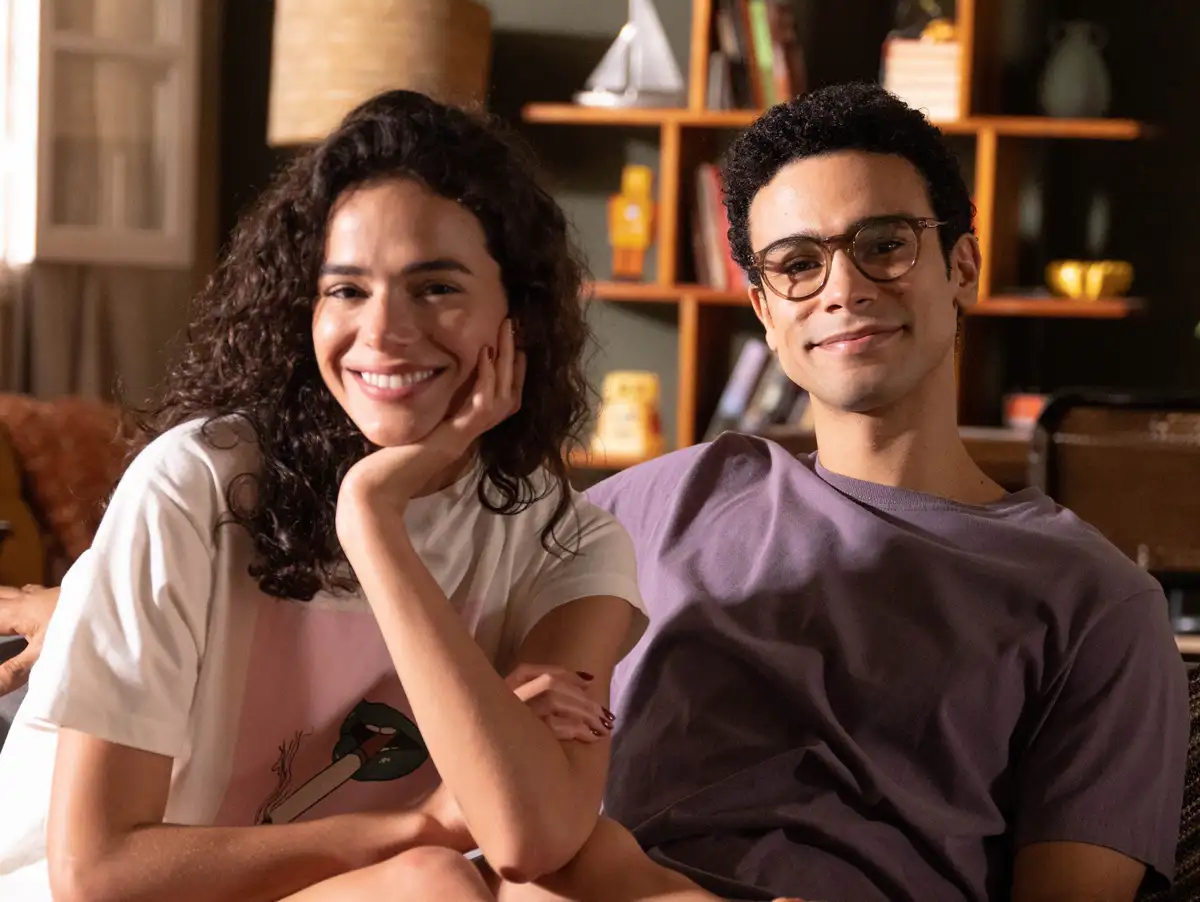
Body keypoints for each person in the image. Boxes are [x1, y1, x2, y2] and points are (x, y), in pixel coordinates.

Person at [1, 82, 1189, 902]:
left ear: (960, 263)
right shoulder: (663, 498)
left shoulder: (1093, 600)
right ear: (761, 303)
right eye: (796, 263)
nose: (842, 288)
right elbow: (420, 593)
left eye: (884, 245)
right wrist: (92, 602)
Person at [0, 89, 648, 902]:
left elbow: (531, 837)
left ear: (517, 312)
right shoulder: (198, 482)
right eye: (346, 290)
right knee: (433, 883)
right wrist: (424, 826)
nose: (383, 332)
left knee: (590, 867)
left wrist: (373, 521)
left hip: (346, 887)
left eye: (436, 288)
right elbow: (96, 875)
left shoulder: (567, 543)